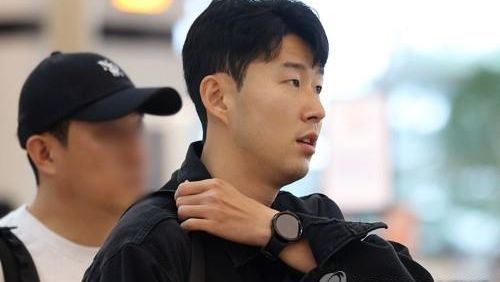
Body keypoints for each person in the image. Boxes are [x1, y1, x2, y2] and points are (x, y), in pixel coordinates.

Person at [84, 1, 434, 281]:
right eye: (293, 82)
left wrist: (278, 232)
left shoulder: (314, 219)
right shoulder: (154, 243)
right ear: (218, 97)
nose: (317, 109)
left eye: (318, 87)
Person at [0, 51, 182, 282]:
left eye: (136, 128)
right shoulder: (8, 262)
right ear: (44, 154)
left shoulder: (167, 253)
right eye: (110, 134)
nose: (136, 155)